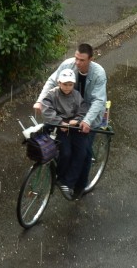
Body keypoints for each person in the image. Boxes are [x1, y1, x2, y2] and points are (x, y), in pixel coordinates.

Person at [34, 43, 107, 199]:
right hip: (66, 113)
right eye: (76, 58)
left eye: (81, 60)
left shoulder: (99, 74)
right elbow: (52, 81)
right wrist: (40, 101)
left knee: (85, 153)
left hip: (87, 115)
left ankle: (79, 187)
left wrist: (86, 121)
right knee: (62, 144)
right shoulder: (68, 65)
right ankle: (63, 176)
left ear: (90, 59)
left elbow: (98, 101)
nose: (77, 62)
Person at [40, 68, 88, 199]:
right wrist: (60, 122)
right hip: (58, 126)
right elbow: (46, 109)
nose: (67, 87)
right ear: (59, 83)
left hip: (73, 126)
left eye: (70, 84)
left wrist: (75, 121)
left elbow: (83, 110)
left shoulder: (77, 95)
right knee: (66, 152)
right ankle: (59, 176)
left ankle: (67, 181)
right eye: (65, 84)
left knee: (82, 152)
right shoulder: (52, 94)